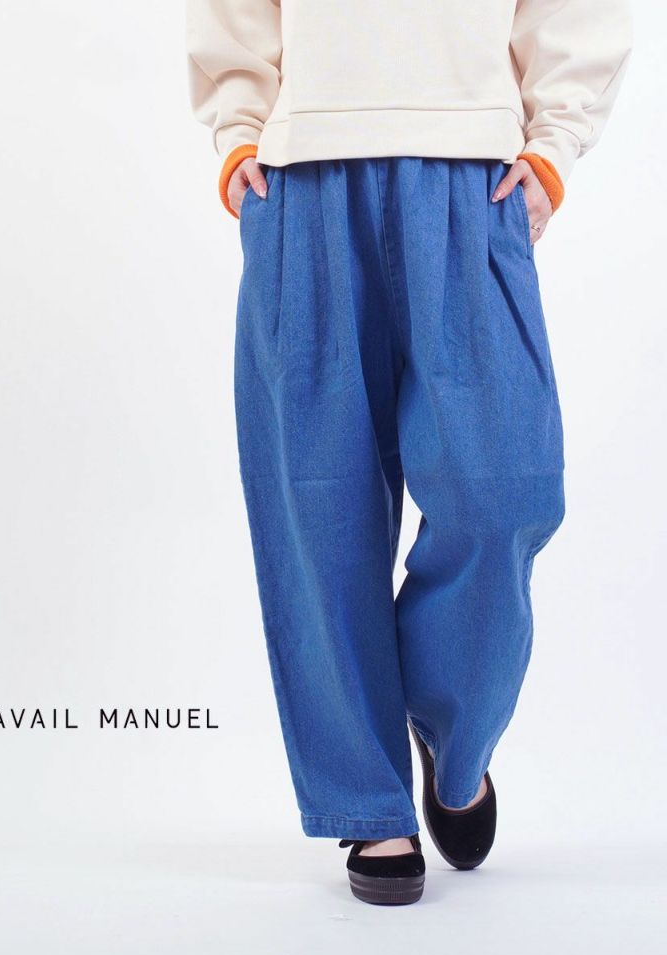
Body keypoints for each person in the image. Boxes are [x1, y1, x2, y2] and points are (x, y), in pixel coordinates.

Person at [186, 0, 632, 905]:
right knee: (320, 507)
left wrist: (555, 142)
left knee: (504, 492)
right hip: (302, 176)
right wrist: (240, 129)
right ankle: (369, 800)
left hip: (473, 180)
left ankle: (448, 727)